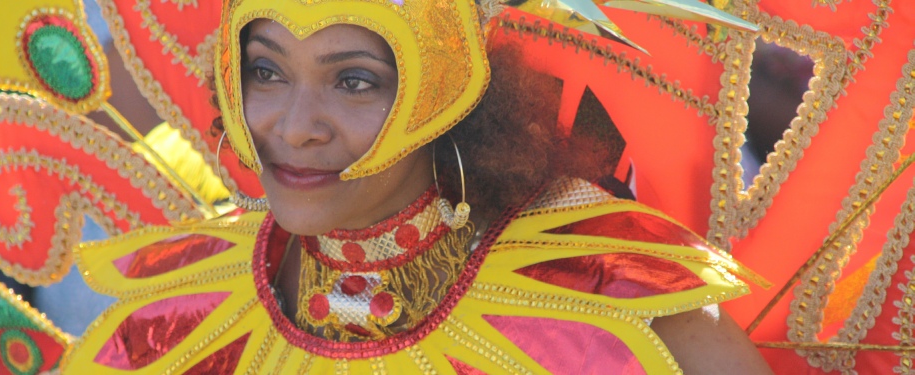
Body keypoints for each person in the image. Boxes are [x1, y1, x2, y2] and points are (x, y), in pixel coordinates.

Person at [53, 1, 773, 373]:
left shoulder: (604, 288)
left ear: (441, 89)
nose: (296, 126)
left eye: (354, 81)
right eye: (266, 71)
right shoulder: (174, 320)